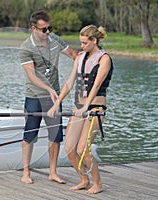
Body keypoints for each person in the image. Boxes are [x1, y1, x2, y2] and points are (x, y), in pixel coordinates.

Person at [47, 25, 113, 194]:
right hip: (78, 107)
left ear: (94, 41)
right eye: (81, 43)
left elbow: (96, 85)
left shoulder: (104, 59)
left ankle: (97, 183)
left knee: (83, 148)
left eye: (85, 43)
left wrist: (86, 106)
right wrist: (57, 103)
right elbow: (70, 83)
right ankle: (84, 180)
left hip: (95, 109)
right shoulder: (80, 58)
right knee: (69, 148)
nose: (82, 46)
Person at [18, 10, 77, 184]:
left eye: (49, 28)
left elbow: (74, 55)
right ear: (33, 28)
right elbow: (32, 76)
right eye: (44, 29)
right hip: (34, 96)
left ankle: (53, 172)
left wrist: (91, 60)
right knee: (30, 135)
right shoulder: (26, 48)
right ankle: (26, 172)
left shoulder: (55, 40)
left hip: (54, 98)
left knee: (55, 135)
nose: (48, 32)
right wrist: (48, 89)